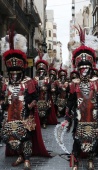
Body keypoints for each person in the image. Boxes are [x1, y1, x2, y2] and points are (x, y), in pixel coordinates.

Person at [59, 26, 98, 170]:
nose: (84, 71)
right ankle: (75, 158)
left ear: (91, 67)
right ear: (78, 69)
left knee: (93, 136)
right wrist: (67, 117)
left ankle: (91, 158)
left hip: (93, 117)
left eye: (87, 68)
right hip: (79, 117)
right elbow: (70, 101)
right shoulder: (74, 84)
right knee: (77, 137)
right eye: (82, 69)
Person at [0, 30, 51, 170]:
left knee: (26, 137)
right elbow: (3, 97)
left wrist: (30, 105)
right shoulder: (6, 83)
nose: (14, 76)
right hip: (10, 116)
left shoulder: (28, 82)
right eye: (12, 73)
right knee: (12, 138)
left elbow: (35, 96)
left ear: (21, 71)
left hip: (25, 115)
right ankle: (19, 155)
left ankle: (27, 158)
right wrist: (3, 104)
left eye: (17, 73)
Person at [34, 50, 57, 128]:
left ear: (45, 71)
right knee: (37, 110)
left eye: (42, 71)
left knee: (46, 109)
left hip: (45, 97)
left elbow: (51, 88)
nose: (41, 72)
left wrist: (47, 88)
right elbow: (32, 88)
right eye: (39, 71)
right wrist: (37, 88)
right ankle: (39, 121)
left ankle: (44, 121)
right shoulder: (35, 79)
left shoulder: (47, 79)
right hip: (38, 97)